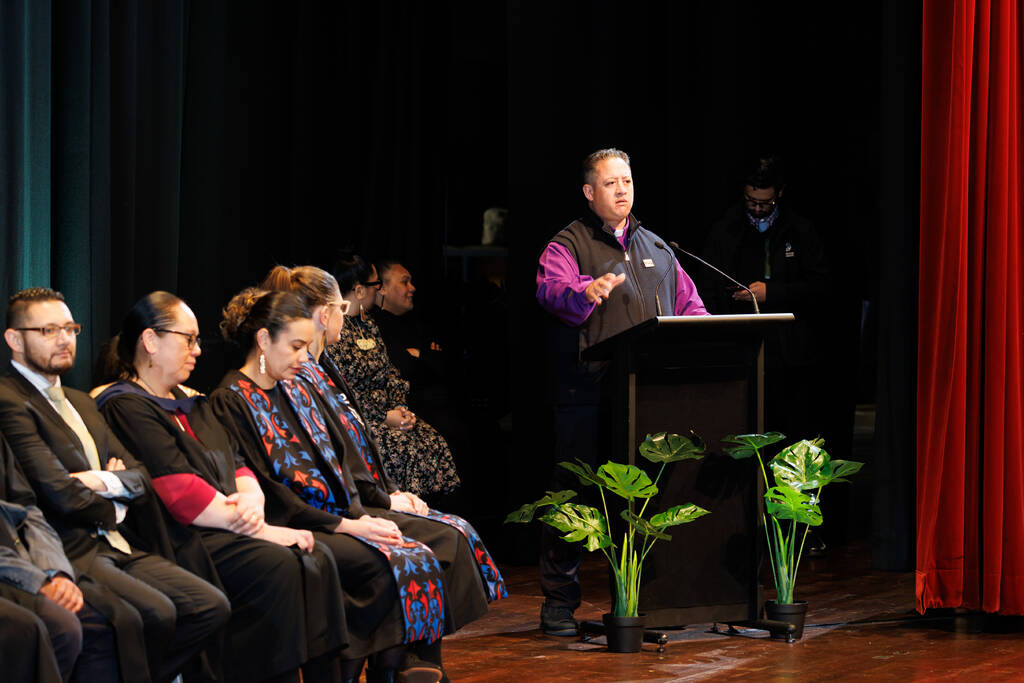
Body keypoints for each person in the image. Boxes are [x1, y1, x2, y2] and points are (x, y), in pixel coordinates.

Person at [93, 291, 347, 683]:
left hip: (228, 526)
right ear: (150, 341)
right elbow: (179, 492)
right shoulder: (125, 406)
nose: (197, 350)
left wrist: (252, 499)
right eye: (188, 339)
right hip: (185, 536)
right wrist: (263, 530)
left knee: (319, 559)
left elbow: (237, 463)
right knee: (280, 565)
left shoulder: (191, 402)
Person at [210, 289, 451, 683]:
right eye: (296, 346)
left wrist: (361, 510)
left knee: (416, 555)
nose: (304, 357)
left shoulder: (288, 390)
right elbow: (272, 491)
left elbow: (334, 462)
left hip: (331, 515)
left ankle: (393, 672)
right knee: (387, 563)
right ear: (263, 341)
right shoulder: (231, 400)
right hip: (292, 523)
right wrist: (348, 525)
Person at [0, 287, 229, 683]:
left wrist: (101, 481)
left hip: (118, 538)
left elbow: (140, 477)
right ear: (15, 340)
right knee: (154, 614)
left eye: (70, 328)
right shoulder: (8, 398)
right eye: (48, 330)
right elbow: (57, 492)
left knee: (210, 605)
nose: (63, 339)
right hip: (70, 545)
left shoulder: (83, 401)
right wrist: (115, 492)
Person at [534, 148, 708, 636]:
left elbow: (690, 307)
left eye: (627, 181)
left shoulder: (658, 247)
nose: (622, 190)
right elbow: (552, 291)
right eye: (610, 183)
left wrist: (709, 335)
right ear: (590, 193)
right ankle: (558, 605)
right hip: (587, 394)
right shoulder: (566, 245)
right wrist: (583, 293)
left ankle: (642, 599)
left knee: (644, 499)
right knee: (572, 497)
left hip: (646, 395)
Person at [260, 265, 506, 607]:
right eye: (341, 311)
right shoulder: (296, 379)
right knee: (441, 542)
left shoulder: (321, 371)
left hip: (361, 494)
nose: (345, 320)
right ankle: (408, 652)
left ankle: (414, 654)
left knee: (456, 528)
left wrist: (389, 492)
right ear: (322, 315)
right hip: (340, 507)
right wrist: (378, 504)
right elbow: (323, 462)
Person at [700, 155, 832, 553]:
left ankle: (802, 530)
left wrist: (771, 292)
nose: (757, 210)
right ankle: (746, 530)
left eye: (765, 203)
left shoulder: (800, 230)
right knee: (748, 447)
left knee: (796, 447)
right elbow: (705, 288)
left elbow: (823, 288)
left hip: (793, 361)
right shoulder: (726, 229)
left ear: (780, 195)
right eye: (751, 201)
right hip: (744, 358)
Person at [325, 255, 459, 499]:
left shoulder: (370, 325)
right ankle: (403, 518)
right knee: (404, 449)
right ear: (359, 290)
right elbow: (338, 390)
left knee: (433, 441)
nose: (379, 292)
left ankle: (432, 519)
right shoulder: (335, 329)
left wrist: (399, 406)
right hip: (358, 419)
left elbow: (390, 373)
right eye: (376, 286)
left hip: (388, 413)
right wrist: (384, 416)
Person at [0, 432, 123, 683]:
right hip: (10, 568)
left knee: (100, 621)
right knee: (54, 626)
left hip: (22, 557)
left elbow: (28, 509)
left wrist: (54, 572)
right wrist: (37, 581)